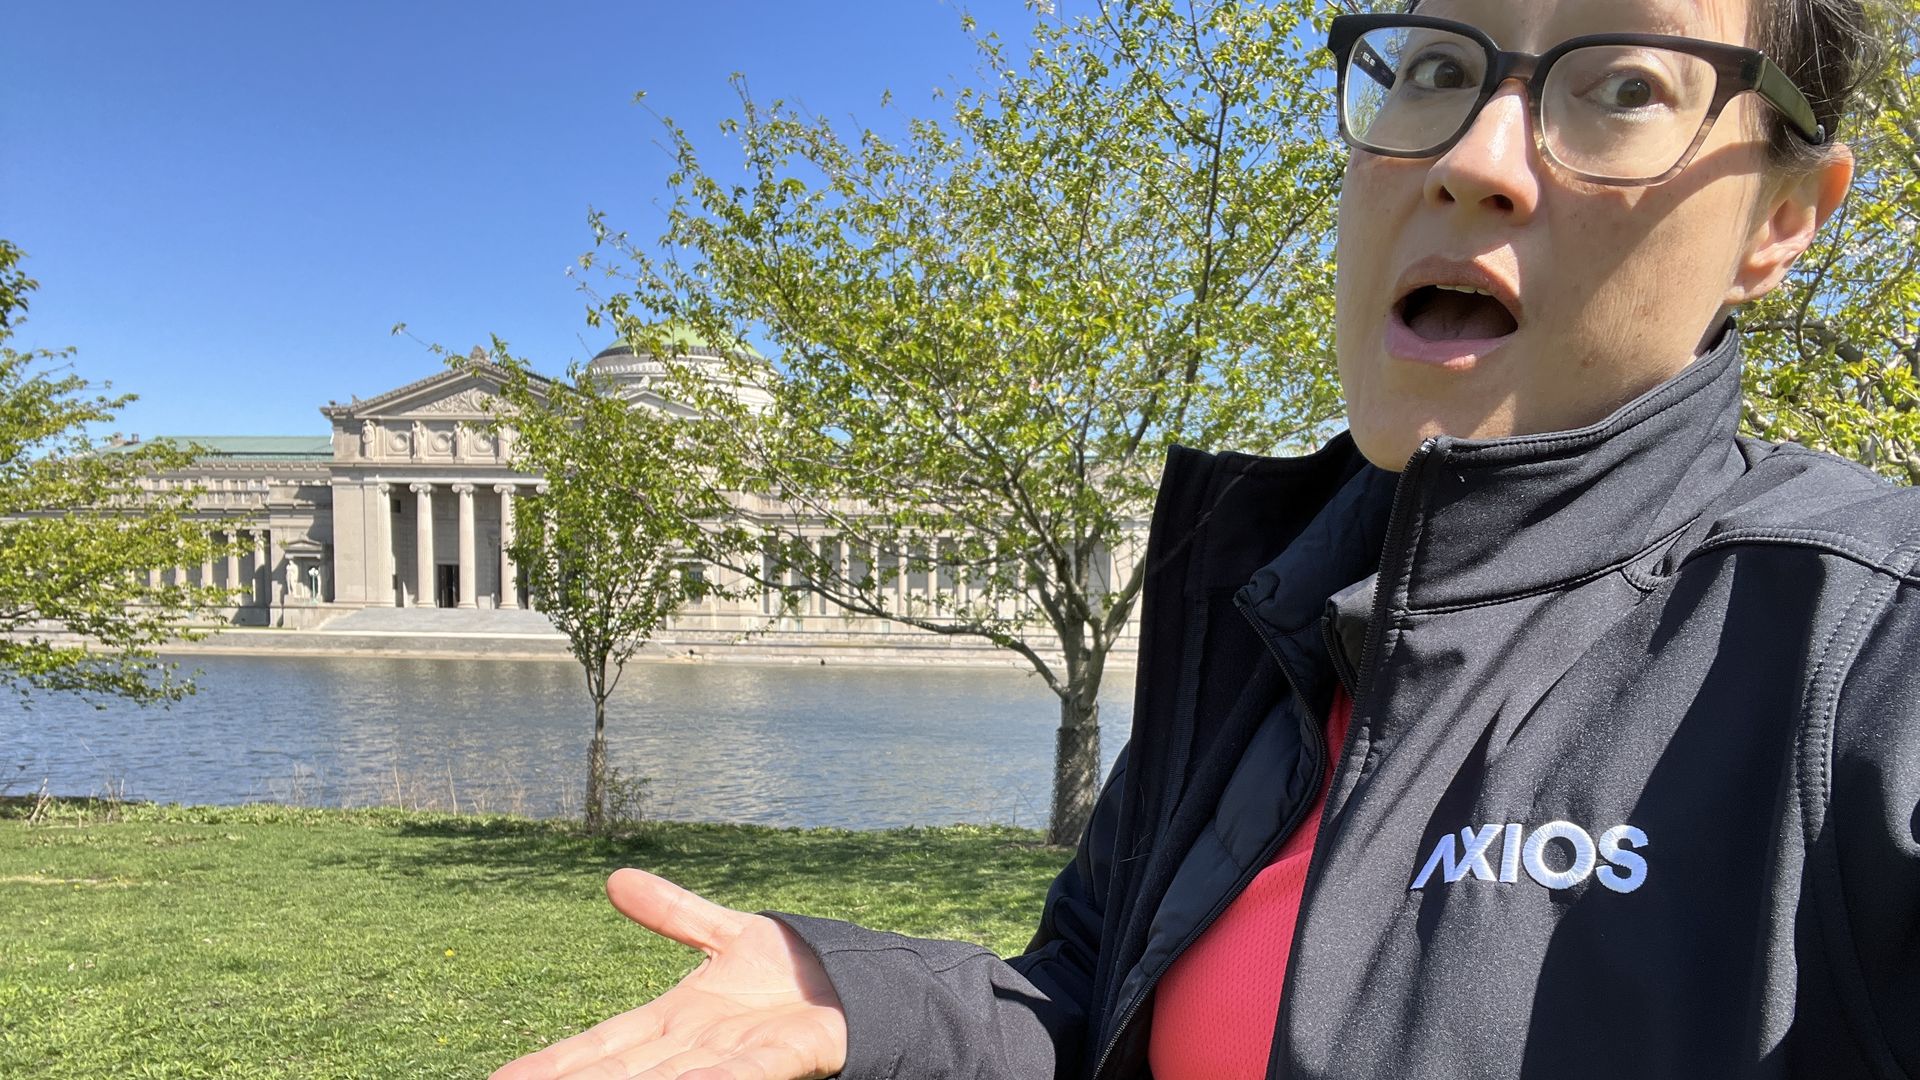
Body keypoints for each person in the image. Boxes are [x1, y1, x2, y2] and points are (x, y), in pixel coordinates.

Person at [494, 0, 1914, 1076]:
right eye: (1434, 67)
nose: (1475, 156)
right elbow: (1094, 988)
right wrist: (855, 1000)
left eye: (1622, 89)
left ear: (1782, 220)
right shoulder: (1264, 600)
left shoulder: (1866, 649)